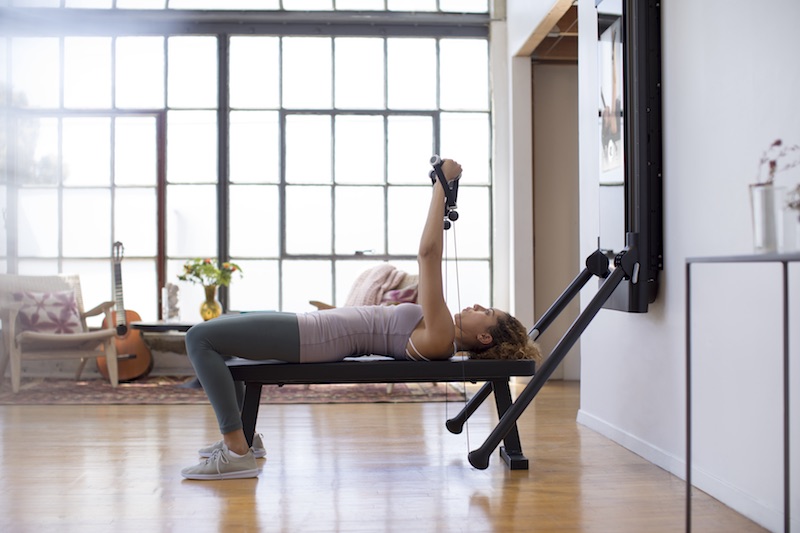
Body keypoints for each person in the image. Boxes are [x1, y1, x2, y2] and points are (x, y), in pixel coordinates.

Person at [180, 158, 542, 480]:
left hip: (315, 336)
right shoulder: (441, 334)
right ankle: (245, 438)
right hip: (316, 330)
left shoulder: (442, 334)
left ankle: (236, 452)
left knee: (200, 337)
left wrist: (440, 189)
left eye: (487, 314)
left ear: (485, 339)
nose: (479, 307)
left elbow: (428, 254)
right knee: (219, 333)